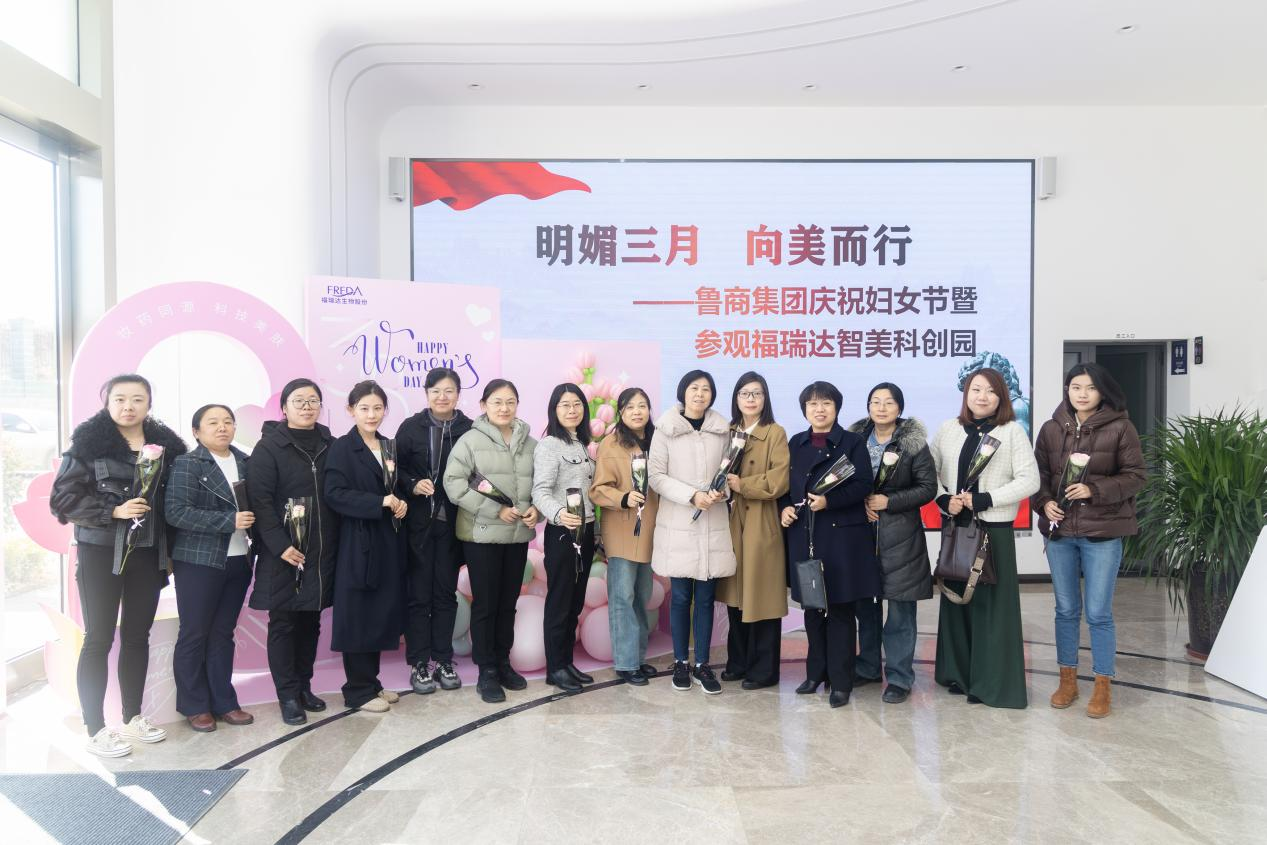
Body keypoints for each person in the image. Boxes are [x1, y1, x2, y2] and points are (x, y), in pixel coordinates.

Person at [49, 374, 187, 757]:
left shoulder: (168, 450)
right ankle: (95, 728)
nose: (129, 406)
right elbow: (62, 500)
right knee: (98, 638)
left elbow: (173, 505)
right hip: (99, 554)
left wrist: (170, 554)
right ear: (107, 403)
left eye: (137, 399)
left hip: (147, 554)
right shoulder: (87, 447)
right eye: (120, 399)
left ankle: (133, 717)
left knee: (137, 636)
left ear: (149, 404)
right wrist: (113, 510)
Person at [1033, 362, 1146, 718]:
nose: (1082, 394)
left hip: (1103, 533)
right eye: (1075, 387)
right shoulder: (1051, 429)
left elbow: (1136, 476)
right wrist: (1044, 503)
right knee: (1066, 610)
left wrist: (1093, 490)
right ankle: (1067, 680)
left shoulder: (1121, 428)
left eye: (1090, 388)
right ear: (1067, 390)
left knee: (1098, 613)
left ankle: (1102, 686)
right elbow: (1038, 477)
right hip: (1061, 533)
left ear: (1103, 392)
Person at [931, 367, 1039, 709]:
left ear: (1001, 396)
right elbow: (927, 472)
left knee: (992, 609)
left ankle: (990, 683)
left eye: (991, 391)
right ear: (966, 394)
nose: (982, 396)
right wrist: (943, 499)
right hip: (957, 528)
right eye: (976, 389)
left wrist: (985, 499)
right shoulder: (949, 429)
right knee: (957, 600)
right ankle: (958, 675)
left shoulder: (1011, 432)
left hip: (993, 530)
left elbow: (1030, 480)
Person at [780, 381, 879, 708]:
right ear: (804, 409)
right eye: (812, 404)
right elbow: (786, 487)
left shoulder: (852, 443)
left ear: (836, 408)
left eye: (826, 403)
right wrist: (784, 508)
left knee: (839, 611)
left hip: (841, 539)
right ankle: (815, 673)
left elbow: (863, 484)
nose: (819, 409)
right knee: (812, 609)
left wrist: (829, 501)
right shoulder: (796, 442)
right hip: (805, 537)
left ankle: (840, 681)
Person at [246, 378, 338, 725]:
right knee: (283, 623)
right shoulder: (269, 447)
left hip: (320, 549)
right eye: (298, 400)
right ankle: (287, 695)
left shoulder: (330, 444)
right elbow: (260, 501)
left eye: (313, 400)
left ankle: (304, 687)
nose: (306, 406)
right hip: (283, 551)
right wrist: (280, 545)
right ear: (284, 407)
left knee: (311, 621)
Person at [443, 379, 540, 703]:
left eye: (510, 401)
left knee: (507, 603)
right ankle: (486, 670)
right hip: (481, 535)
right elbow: (454, 483)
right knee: (485, 604)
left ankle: (503, 662)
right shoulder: (470, 441)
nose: (504, 408)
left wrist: (536, 511)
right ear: (484, 405)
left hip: (517, 536)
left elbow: (541, 486)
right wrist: (494, 510)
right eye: (497, 401)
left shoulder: (531, 444)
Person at [164, 404, 256, 731]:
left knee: (222, 634)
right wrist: (228, 521)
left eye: (228, 421)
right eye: (213, 422)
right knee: (194, 633)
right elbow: (176, 512)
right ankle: (194, 705)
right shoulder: (188, 464)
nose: (222, 427)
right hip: (198, 561)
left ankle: (224, 702)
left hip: (239, 559)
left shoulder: (246, 462)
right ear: (196, 431)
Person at [648, 369, 737, 696]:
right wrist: (691, 495)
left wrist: (721, 492)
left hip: (713, 523)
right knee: (681, 597)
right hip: (680, 524)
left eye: (706, 389)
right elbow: (656, 476)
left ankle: (702, 664)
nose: (700, 394)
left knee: (706, 599)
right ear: (683, 392)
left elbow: (728, 472)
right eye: (694, 388)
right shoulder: (666, 429)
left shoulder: (722, 431)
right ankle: (680, 662)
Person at [324, 380, 408, 712]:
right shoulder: (342, 448)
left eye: (377, 408)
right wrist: (379, 502)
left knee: (378, 613)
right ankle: (357, 691)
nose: (371, 414)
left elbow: (394, 487)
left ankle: (371, 683)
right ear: (351, 410)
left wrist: (400, 501)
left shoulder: (388, 446)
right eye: (364, 408)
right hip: (358, 542)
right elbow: (334, 494)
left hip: (387, 540)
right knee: (358, 614)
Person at [849, 383, 936, 704]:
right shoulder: (854, 441)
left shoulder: (913, 444)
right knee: (865, 607)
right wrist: (860, 503)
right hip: (861, 534)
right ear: (868, 407)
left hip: (901, 537)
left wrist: (890, 501)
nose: (881, 407)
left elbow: (927, 487)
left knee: (900, 610)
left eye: (888, 402)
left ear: (899, 408)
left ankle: (899, 677)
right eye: (875, 401)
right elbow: (841, 480)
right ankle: (868, 667)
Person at [395, 367, 474, 695]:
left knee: (445, 594)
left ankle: (443, 659)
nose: (442, 397)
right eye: (436, 391)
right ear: (426, 394)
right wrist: (413, 484)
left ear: (458, 394)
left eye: (449, 391)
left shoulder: (470, 430)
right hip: (417, 526)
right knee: (417, 596)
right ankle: (418, 662)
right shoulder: (410, 428)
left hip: (454, 526)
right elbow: (394, 470)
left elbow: (479, 473)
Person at [716, 372, 790, 690]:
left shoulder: (775, 432)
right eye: (745, 393)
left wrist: (742, 484)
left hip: (762, 522)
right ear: (736, 398)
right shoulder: (727, 431)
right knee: (736, 597)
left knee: (762, 597)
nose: (750, 399)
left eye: (757, 393)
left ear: (765, 398)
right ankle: (738, 662)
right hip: (731, 522)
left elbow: (778, 480)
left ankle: (764, 670)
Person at [590, 387, 661, 686]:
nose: (637, 411)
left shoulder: (658, 442)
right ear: (620, 412)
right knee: (622, 597)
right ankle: (626, 663)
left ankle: (638, 658)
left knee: (642, 597)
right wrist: (623, 497)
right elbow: (598, 490)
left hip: (652, 530)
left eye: (642, 405)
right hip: (621, 529)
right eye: (630, 407)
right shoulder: (611, 443)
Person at [532, 383, 598, 692]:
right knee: (560, 601)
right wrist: (559, 514)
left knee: (575, 602)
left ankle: (566, 662)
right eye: (565, 405)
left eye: (577, 404)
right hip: (562, 533)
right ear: (554, 410)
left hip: (586, 530)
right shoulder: (549, 445)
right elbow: (540, 491)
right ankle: (555, 668)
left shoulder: (583, 443)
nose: (572, 410)